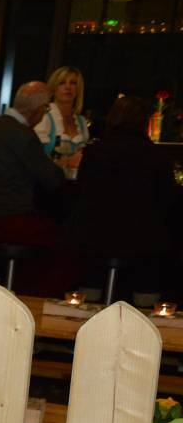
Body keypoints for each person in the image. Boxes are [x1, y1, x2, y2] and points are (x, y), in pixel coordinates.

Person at [66, 94, 181, 299]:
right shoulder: (157, 157)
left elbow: (81, 193)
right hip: (143, 243)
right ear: (144, 121)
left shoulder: (94, 153)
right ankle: (146, 306)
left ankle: (87, 304)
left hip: (95, 239)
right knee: (157, 253)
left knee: (90, 266)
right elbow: (168, 200)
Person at [0, 80, 77, 295]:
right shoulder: (22, 134)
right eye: (45, 108)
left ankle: (14, 291)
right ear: (37, 110)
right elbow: (52, 179)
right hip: (10, 219)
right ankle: (35, 299)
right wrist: (64, 165)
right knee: (68, 242)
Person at [35, 66, 92, 172]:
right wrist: (65, 162)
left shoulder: (82, 122)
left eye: (73, 83)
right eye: (62, 83)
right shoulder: (44, 117)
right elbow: (33, 158)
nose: (68, 87)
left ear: (78, 89)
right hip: (47, 180)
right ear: (53, 88)